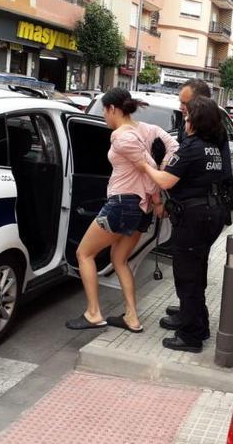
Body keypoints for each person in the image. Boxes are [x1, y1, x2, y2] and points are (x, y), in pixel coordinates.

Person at [66, 88, 179, 333]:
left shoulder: (121, 137)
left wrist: (158, 192)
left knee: (84, 254)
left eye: (105, 112)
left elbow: (146, 167)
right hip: (141, 208)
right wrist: (159, 177)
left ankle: (94, 313)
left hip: (122, 204)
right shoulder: (148, 129)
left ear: (112, 109)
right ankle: (131, 317)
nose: (105, 118)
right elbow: (174, 146)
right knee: (119, 259)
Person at [137, 96, 232, 352]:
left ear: (196, 121)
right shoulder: (213, 146)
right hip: (209, 215)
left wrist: (145, 166)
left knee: (188, 277)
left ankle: (190, 336)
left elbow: (166, 181)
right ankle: (199, 325)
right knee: (196, 273)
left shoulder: (192, 147)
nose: (185, 120)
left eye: (188, 116)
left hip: (195, 219)